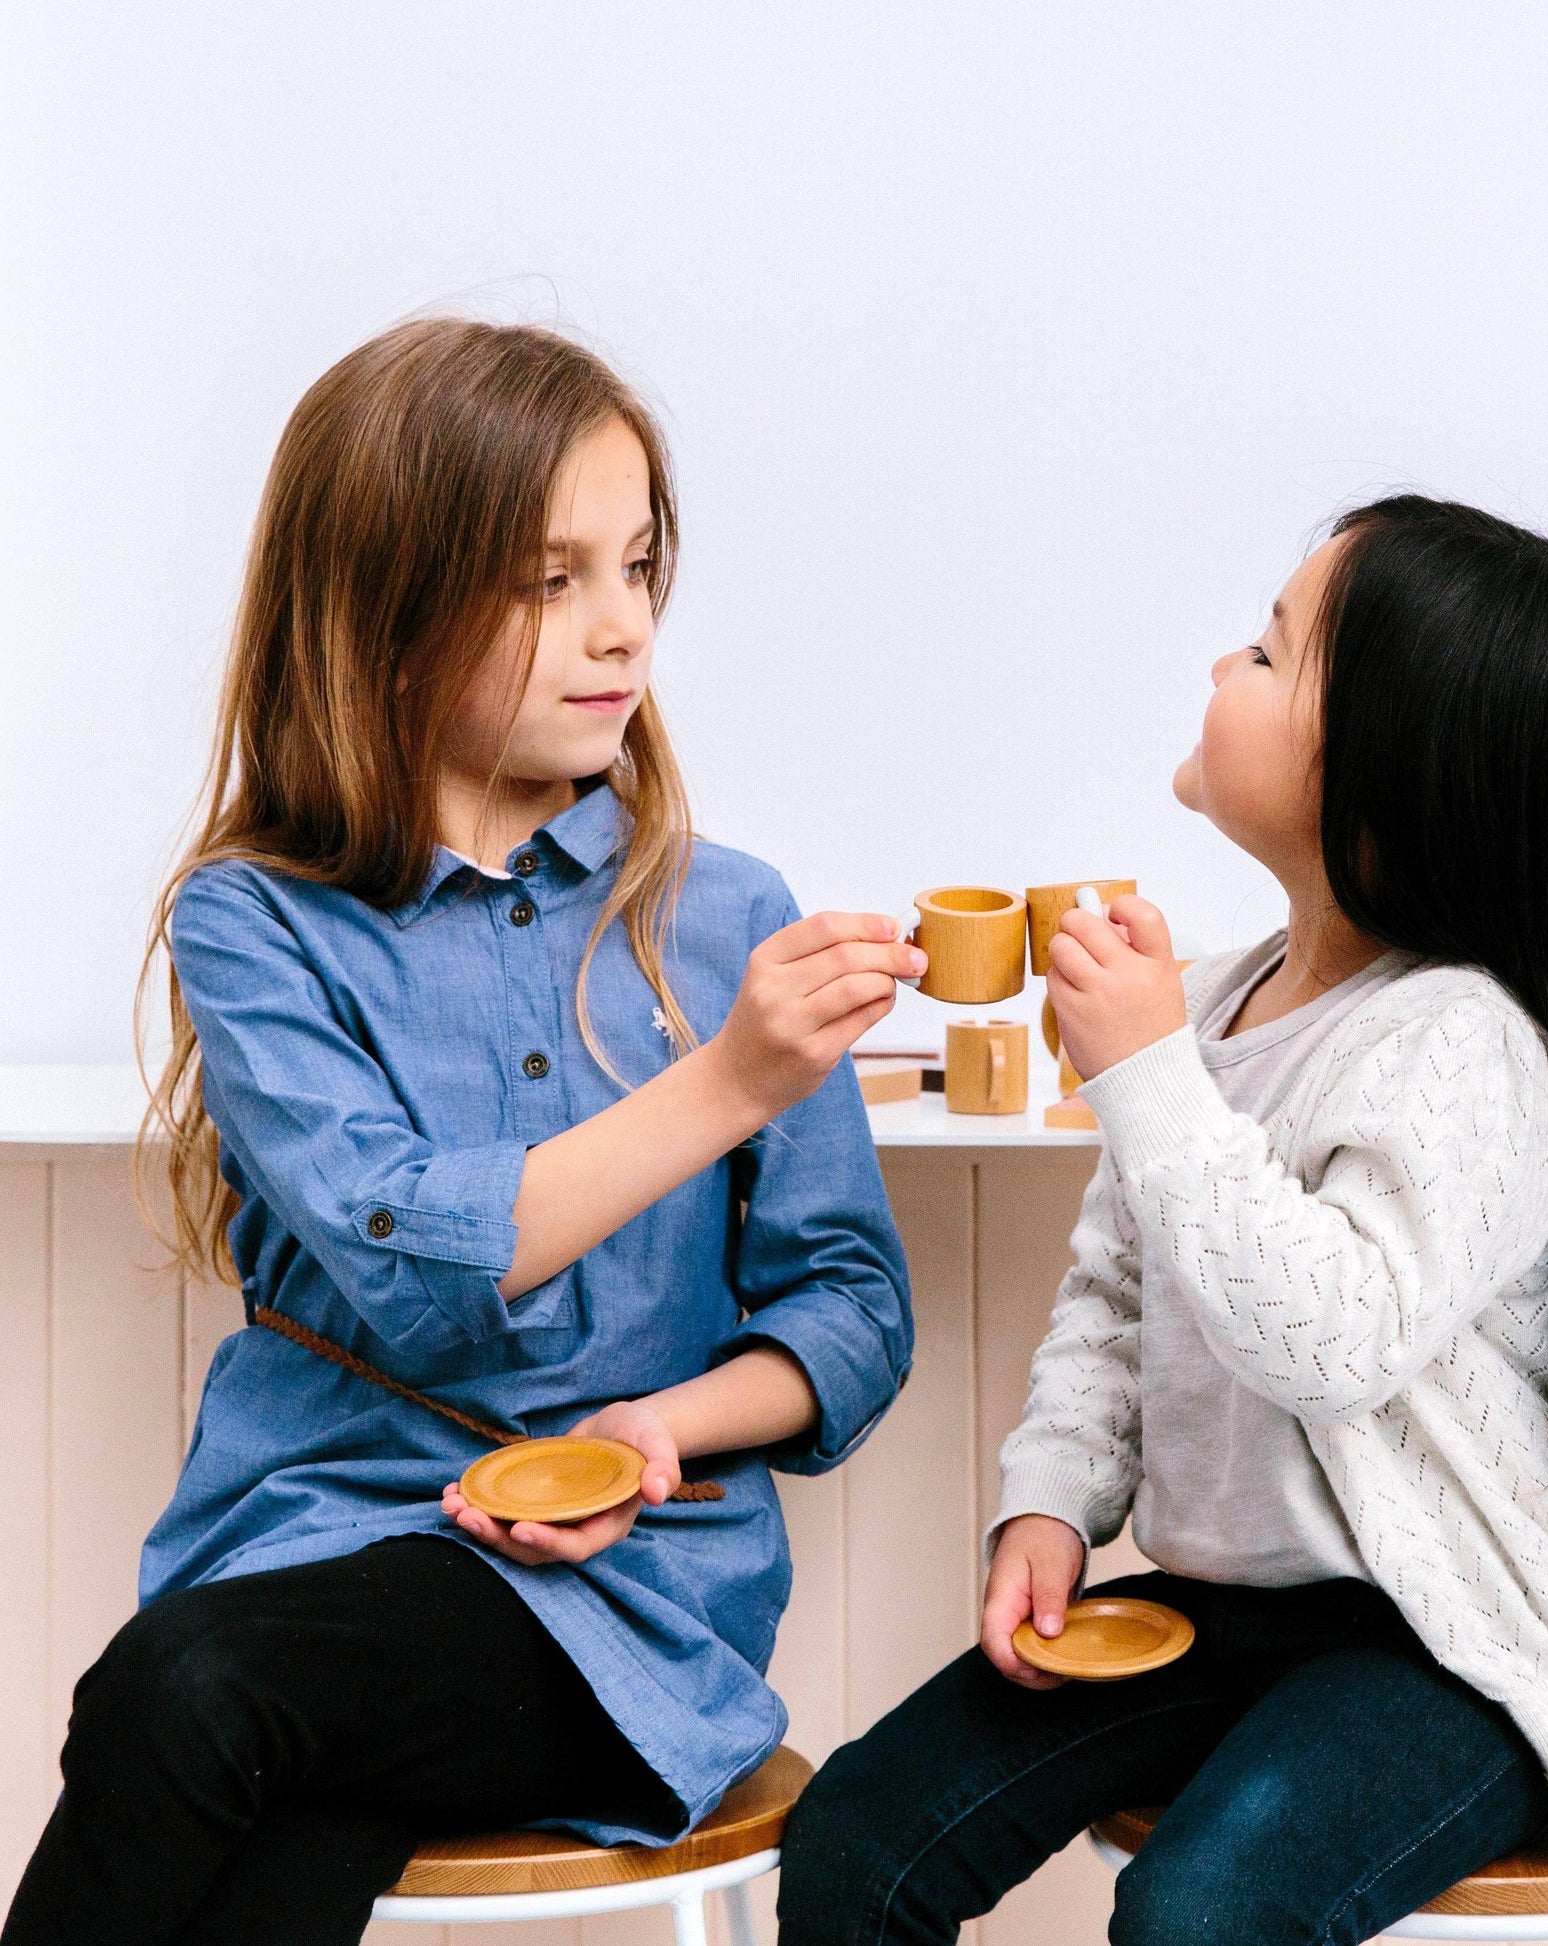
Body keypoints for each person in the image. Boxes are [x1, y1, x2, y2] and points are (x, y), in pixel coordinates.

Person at [3, 318, 922, 1946]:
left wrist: (656, 1428)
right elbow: (410, 1250)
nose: (621, 625)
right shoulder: (254, 921)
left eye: (636, 566)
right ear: (384, 612)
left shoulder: (728, 917)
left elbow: (848, 1311)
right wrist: (727, 1080)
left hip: (623, 1604)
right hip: (315, 1538)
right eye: (548, 580)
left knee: (194, 1694)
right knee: (259, 1804)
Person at [778, 497, 1548, 1946]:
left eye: (1268, 652)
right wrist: (1050, 1499)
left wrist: (1145, 1072)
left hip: (1443, 1647)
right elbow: (1115, 1299)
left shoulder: (1469, 1048)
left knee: (1200, 1916)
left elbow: (1332, 1340)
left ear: (1388, 769)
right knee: (858, 1841)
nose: (1222, 663)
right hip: (1221, 1615)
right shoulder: (1206, 1005)